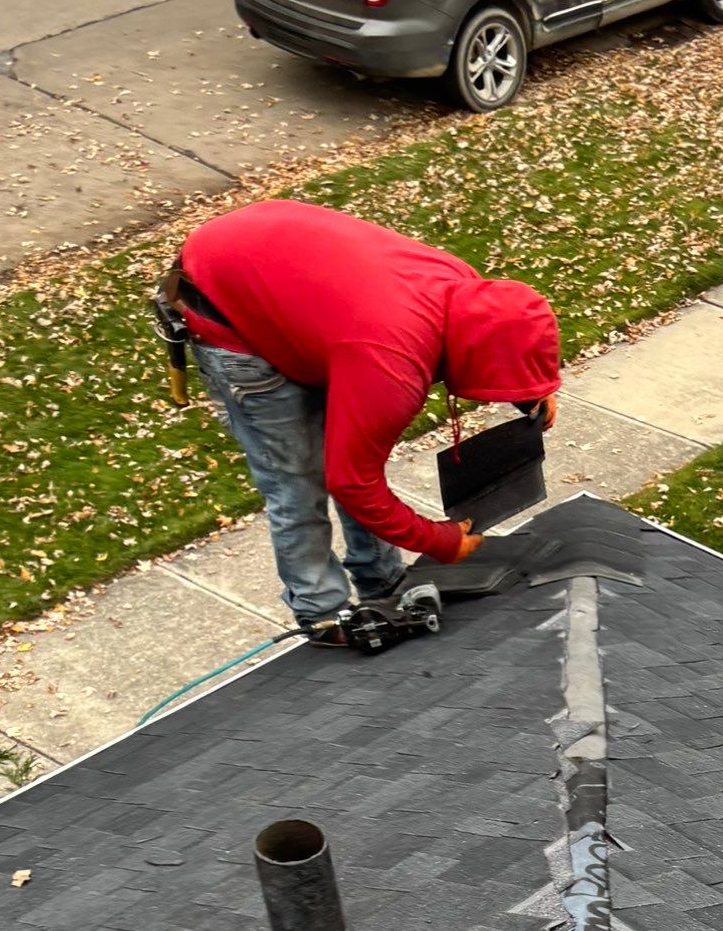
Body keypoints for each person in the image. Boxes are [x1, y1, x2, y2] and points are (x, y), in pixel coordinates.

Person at [155, 198, 561, 645]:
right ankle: (322, 614)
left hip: (278, 266)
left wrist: (527, 389)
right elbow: (352, 483)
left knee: (351, 445)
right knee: (297, 483)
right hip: (225, 305)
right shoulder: (391, 364)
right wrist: (439, 541)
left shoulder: (462, 286)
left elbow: (497, 334)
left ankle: (381, 581)